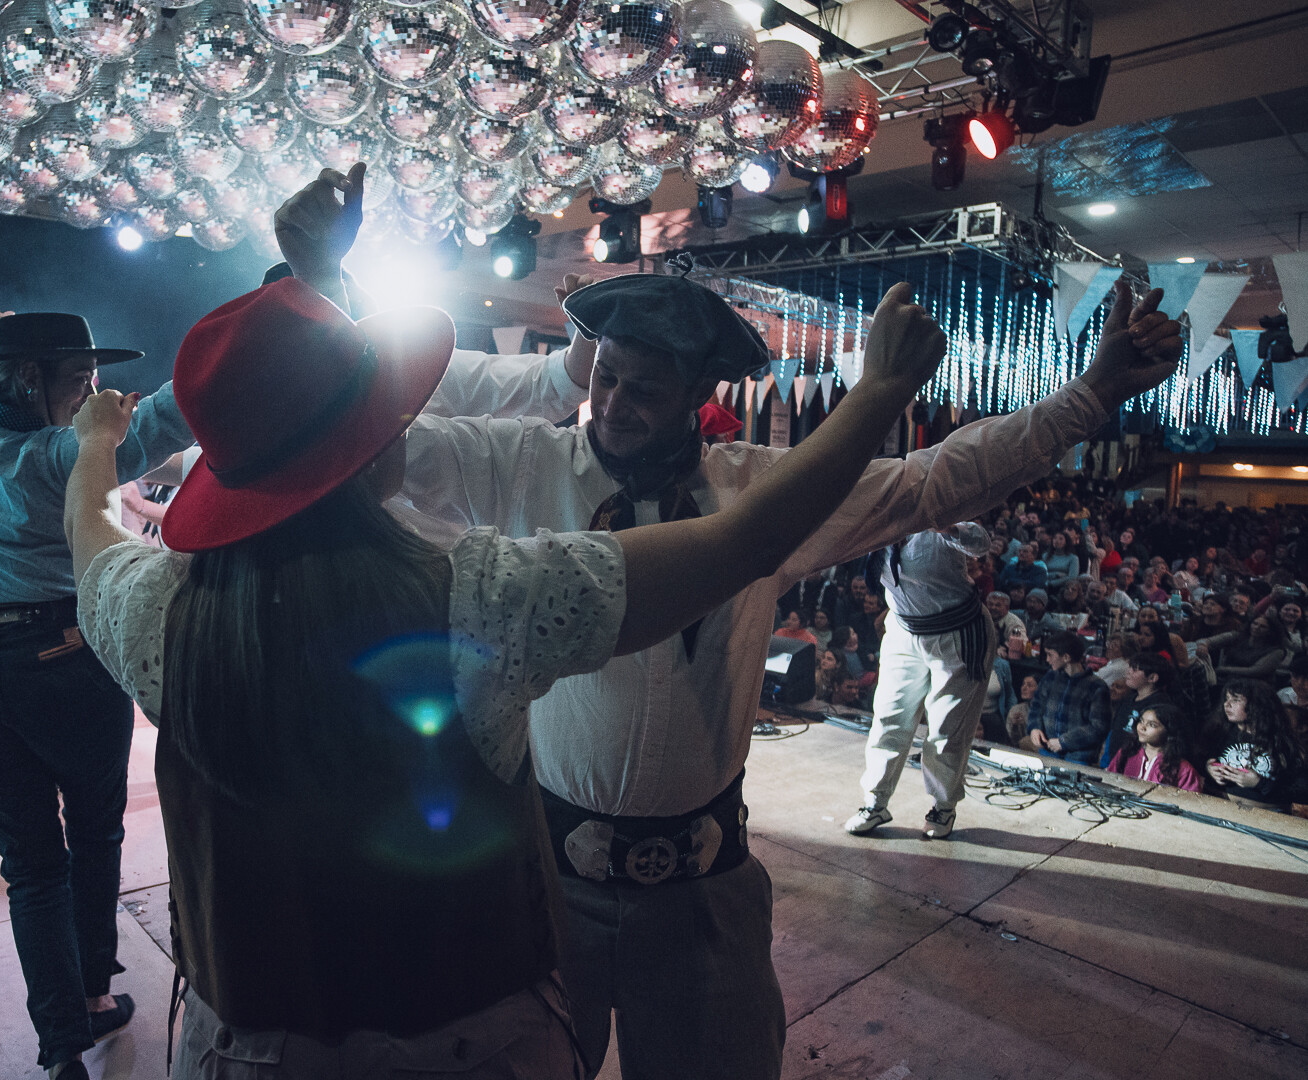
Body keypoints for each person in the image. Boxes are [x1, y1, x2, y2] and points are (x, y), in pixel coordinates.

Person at [62, 222, 949, 1077]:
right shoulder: (482, 597)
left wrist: (96, 440)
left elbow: (92, 532)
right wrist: (876, 394)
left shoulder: (147, 613)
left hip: (243, 1050)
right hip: (465, 1052)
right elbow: (747, 544)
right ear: (369, 452)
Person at [397, 245, 1184, 1080]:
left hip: (705, 894)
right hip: (549, 886)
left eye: (646, 390)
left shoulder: (760, 493)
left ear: (703, 398)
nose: (613, 406)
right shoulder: (523, 464)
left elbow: (935, 481)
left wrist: (1092, 396)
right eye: (606, 379)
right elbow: (373, 444)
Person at [0, 307, 193, 1080]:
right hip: (67, 661)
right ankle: (90, 994)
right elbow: (178, 413)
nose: (94, 392)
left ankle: (61, 1047)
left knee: (31, 866)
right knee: (95, 836)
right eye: (80, 379)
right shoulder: (68, 458)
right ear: (27, 379)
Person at [845, 523, 995, 840]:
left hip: (956, 633)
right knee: (888, 717)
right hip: (903, 629)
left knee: (946, 728)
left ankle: (943, 806)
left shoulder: (938, 519)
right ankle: (875, 803)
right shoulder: (881, 522)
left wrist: (948, 527)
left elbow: (981, 543)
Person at [1204, 680, 1304, 806]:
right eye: (1226, 699)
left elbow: (1298, 791)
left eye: (1235, 700)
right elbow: (1198, 763)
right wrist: (1209, 768)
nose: (1227, 705)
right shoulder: (1220, 733)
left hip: (1266, 815)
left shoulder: (1279, 741)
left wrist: (1259, 783)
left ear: (1256, 704)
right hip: (1222, 807)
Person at [1021, 631, 1112, 764]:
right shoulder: (1050, 678)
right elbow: (1036, 707)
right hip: (1048, 751)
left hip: (1079, 757)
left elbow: (1099, 727)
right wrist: (1034, 727)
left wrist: (1065, 742)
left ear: (1066, 658)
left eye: (1050, 655)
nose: (1047, 660)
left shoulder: (1096, 687)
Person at [1098, 652, 1177, 770]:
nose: (1128, 672)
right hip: (1114, 762)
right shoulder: (1129, 699)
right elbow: (1115, 731)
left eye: (1134, 670)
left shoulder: (1160, 706)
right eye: (1129, 668)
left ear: (1152, 678)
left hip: (1135, 768)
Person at [1107, 703, 1201, 791]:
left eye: (1152, 725)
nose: (1142, 727)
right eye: (1141, 721)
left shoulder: (1183, 769)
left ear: (1169, 731)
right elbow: (1109, 782)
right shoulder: (1127, 753)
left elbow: (1189, 803)